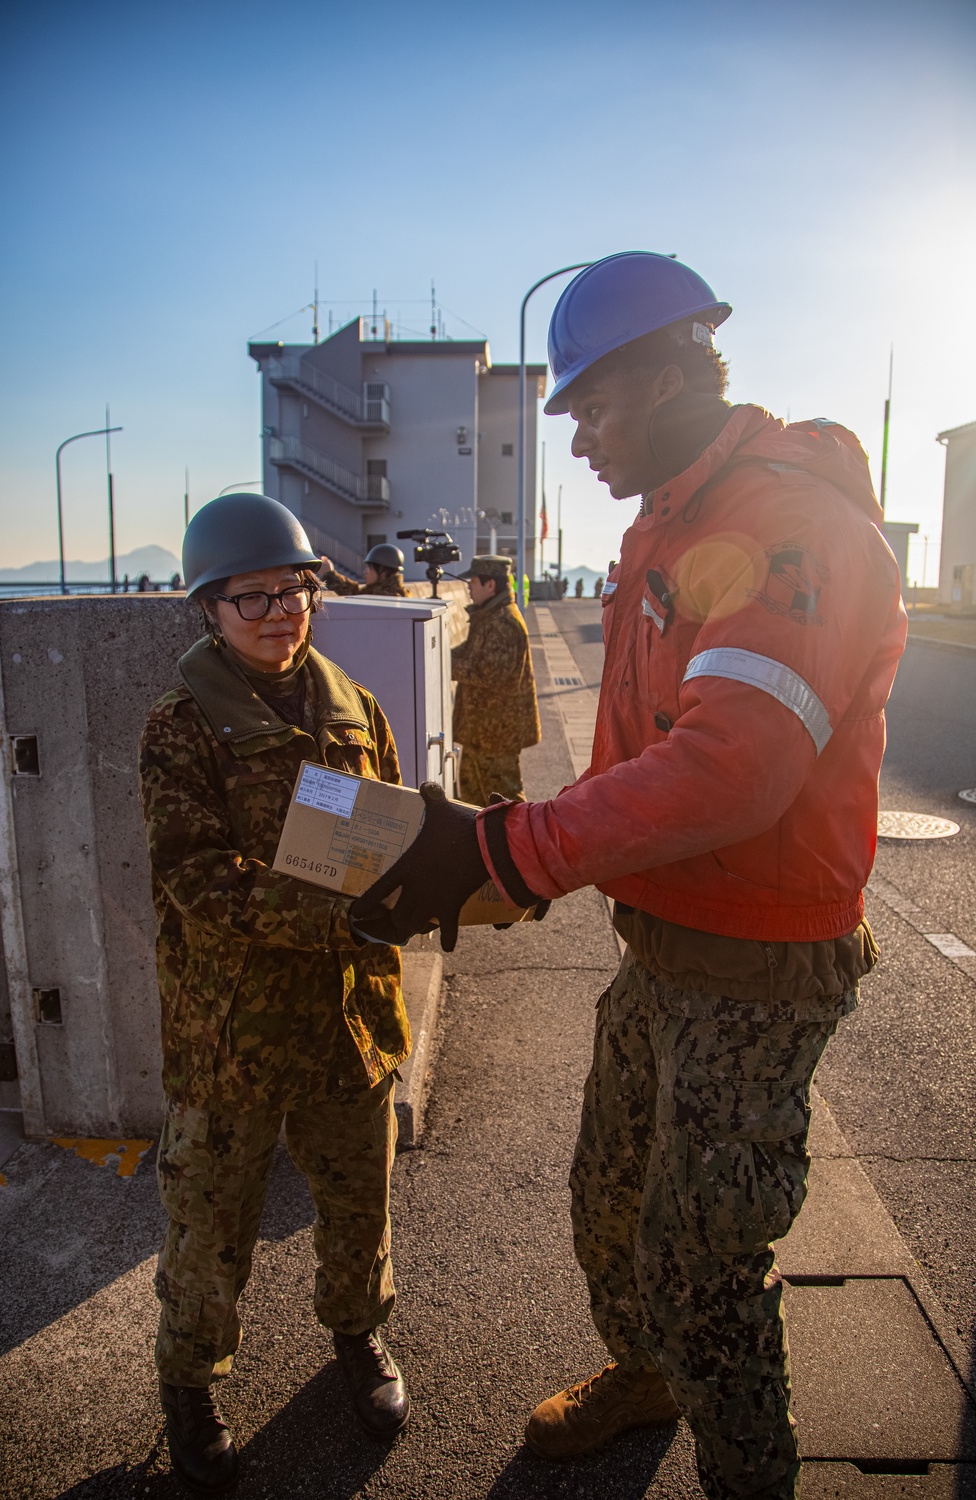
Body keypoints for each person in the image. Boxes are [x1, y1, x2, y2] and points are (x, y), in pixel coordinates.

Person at [349, 252, 907, 1499]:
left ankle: (746, 1478)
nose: (582, 443)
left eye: (593, 409)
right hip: (659, 946)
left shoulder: (788, 526)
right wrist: (503, 853)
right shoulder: (671, 523)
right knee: (607, 1201)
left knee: (703, 1269)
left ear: (664, 379)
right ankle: (643, 1376)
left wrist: (504, 849)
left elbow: (731, 766)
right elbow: (648, 760)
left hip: (759, 966)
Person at [138, 493, 412, 1495]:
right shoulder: (182, 730)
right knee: (210, 1225)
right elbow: (196, 879)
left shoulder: (352, 706)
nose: (278, 611)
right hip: (234, 1032)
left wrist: (429, 878)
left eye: (293, 588)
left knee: (358, 1204)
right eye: (249, 597)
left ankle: (358, 1337)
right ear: (208, 610)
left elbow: (384, 832)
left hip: (348, 1017)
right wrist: (337, 912)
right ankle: (190, 1383)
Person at [451, 554, 541, 804]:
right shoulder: (489, 616)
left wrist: (445, 665)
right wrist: (437, 655)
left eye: (474, 581)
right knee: (472, 799)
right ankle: (481, 843)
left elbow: (488, 673)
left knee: (505, 803)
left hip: (497, 735)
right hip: (481, 731)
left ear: (490, 585)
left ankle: (520, 844)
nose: (469, 586)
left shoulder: (504, 622)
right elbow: (469, 651)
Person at [318, 542, 407, 597]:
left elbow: (356, 596)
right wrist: (330, 574)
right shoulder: (391, 591)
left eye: (369, 568)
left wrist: (330, 575)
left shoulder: (386, 596)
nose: (365, 572)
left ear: (383, 572)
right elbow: (355, 592)